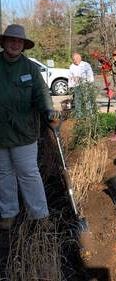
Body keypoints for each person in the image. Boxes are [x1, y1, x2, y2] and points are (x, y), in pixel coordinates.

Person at [0, 24, 58, 229]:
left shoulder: (30, 68)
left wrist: (49, 111)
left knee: (28, 173)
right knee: (4, 173)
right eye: (11, 40)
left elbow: (42, 94)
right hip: (1, 133)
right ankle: (8, 213)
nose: (15, 44)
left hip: (24, 132)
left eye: (19, 41)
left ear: (23, 45)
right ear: (4, 42)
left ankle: (40, 215)